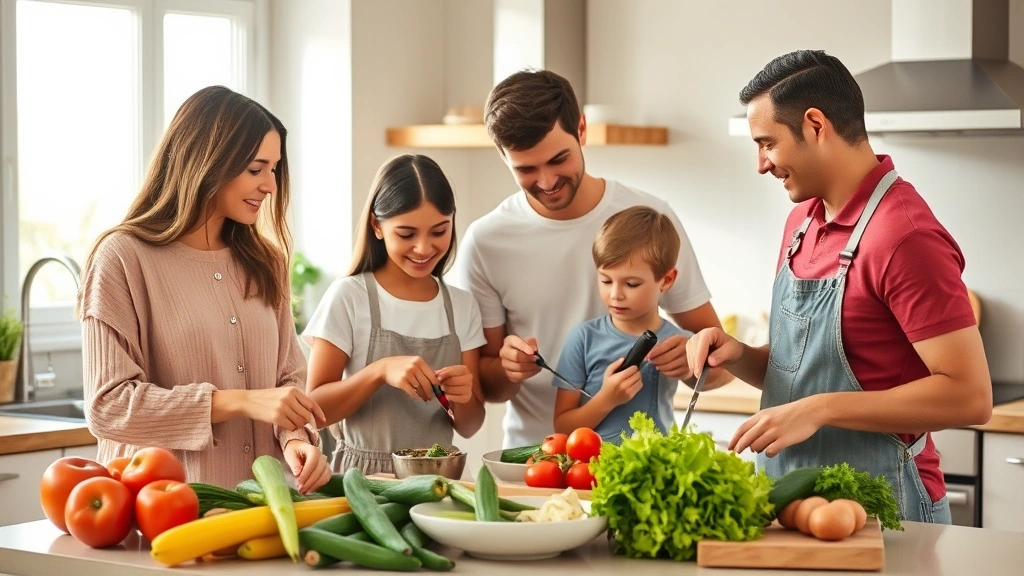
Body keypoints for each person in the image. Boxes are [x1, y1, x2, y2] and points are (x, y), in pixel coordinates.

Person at [686, 50, 992, 523]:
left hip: (886, 511)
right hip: (793, 507)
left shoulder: (904, 236)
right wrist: (739, 355)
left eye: (767, 143)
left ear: (814, 124)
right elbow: (805, 371)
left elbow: (970, 396)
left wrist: (821, 409)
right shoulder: (801, 224)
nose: (761, 164)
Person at [449, 69, 728, 450]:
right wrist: (508, 368)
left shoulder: (648, 216)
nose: (547, 182)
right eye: (526, 170)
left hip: (635, 464)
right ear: (502, 156)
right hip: (534, 462)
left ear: (581, 129)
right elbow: (488, 387)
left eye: (558, 159)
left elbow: (722, 364)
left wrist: (692, 362)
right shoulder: (486, 241)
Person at [79, 86, 330, 492]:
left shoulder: (266, 262)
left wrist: (296, 438)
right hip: (163, 514)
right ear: (208, 163)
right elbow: (108, 407)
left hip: (262, 510)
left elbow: (288, 379)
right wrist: (240, 401)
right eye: (255, 169)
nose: (270, 185)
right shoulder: (123, 257)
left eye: (274, 169)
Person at [303, 154, 486, 475]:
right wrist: (379, 371)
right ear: (377, 226)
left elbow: (470, 426)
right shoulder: (350, 296)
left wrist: (464, 395)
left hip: (440, 477)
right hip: (363, 479)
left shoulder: (462, 305)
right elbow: (315, 410)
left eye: (439, 231)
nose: (424, 247)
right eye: (406, 234)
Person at [552, 206, 692, 442]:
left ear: (666, 280)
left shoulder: (679, 343)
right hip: (592, 470)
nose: (615, 294)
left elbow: (720, 370)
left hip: (656, 468)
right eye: (606, 280)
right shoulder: (583, 338)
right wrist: (607, 399)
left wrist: (689, 366)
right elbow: (563, 427)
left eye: (632, 284)